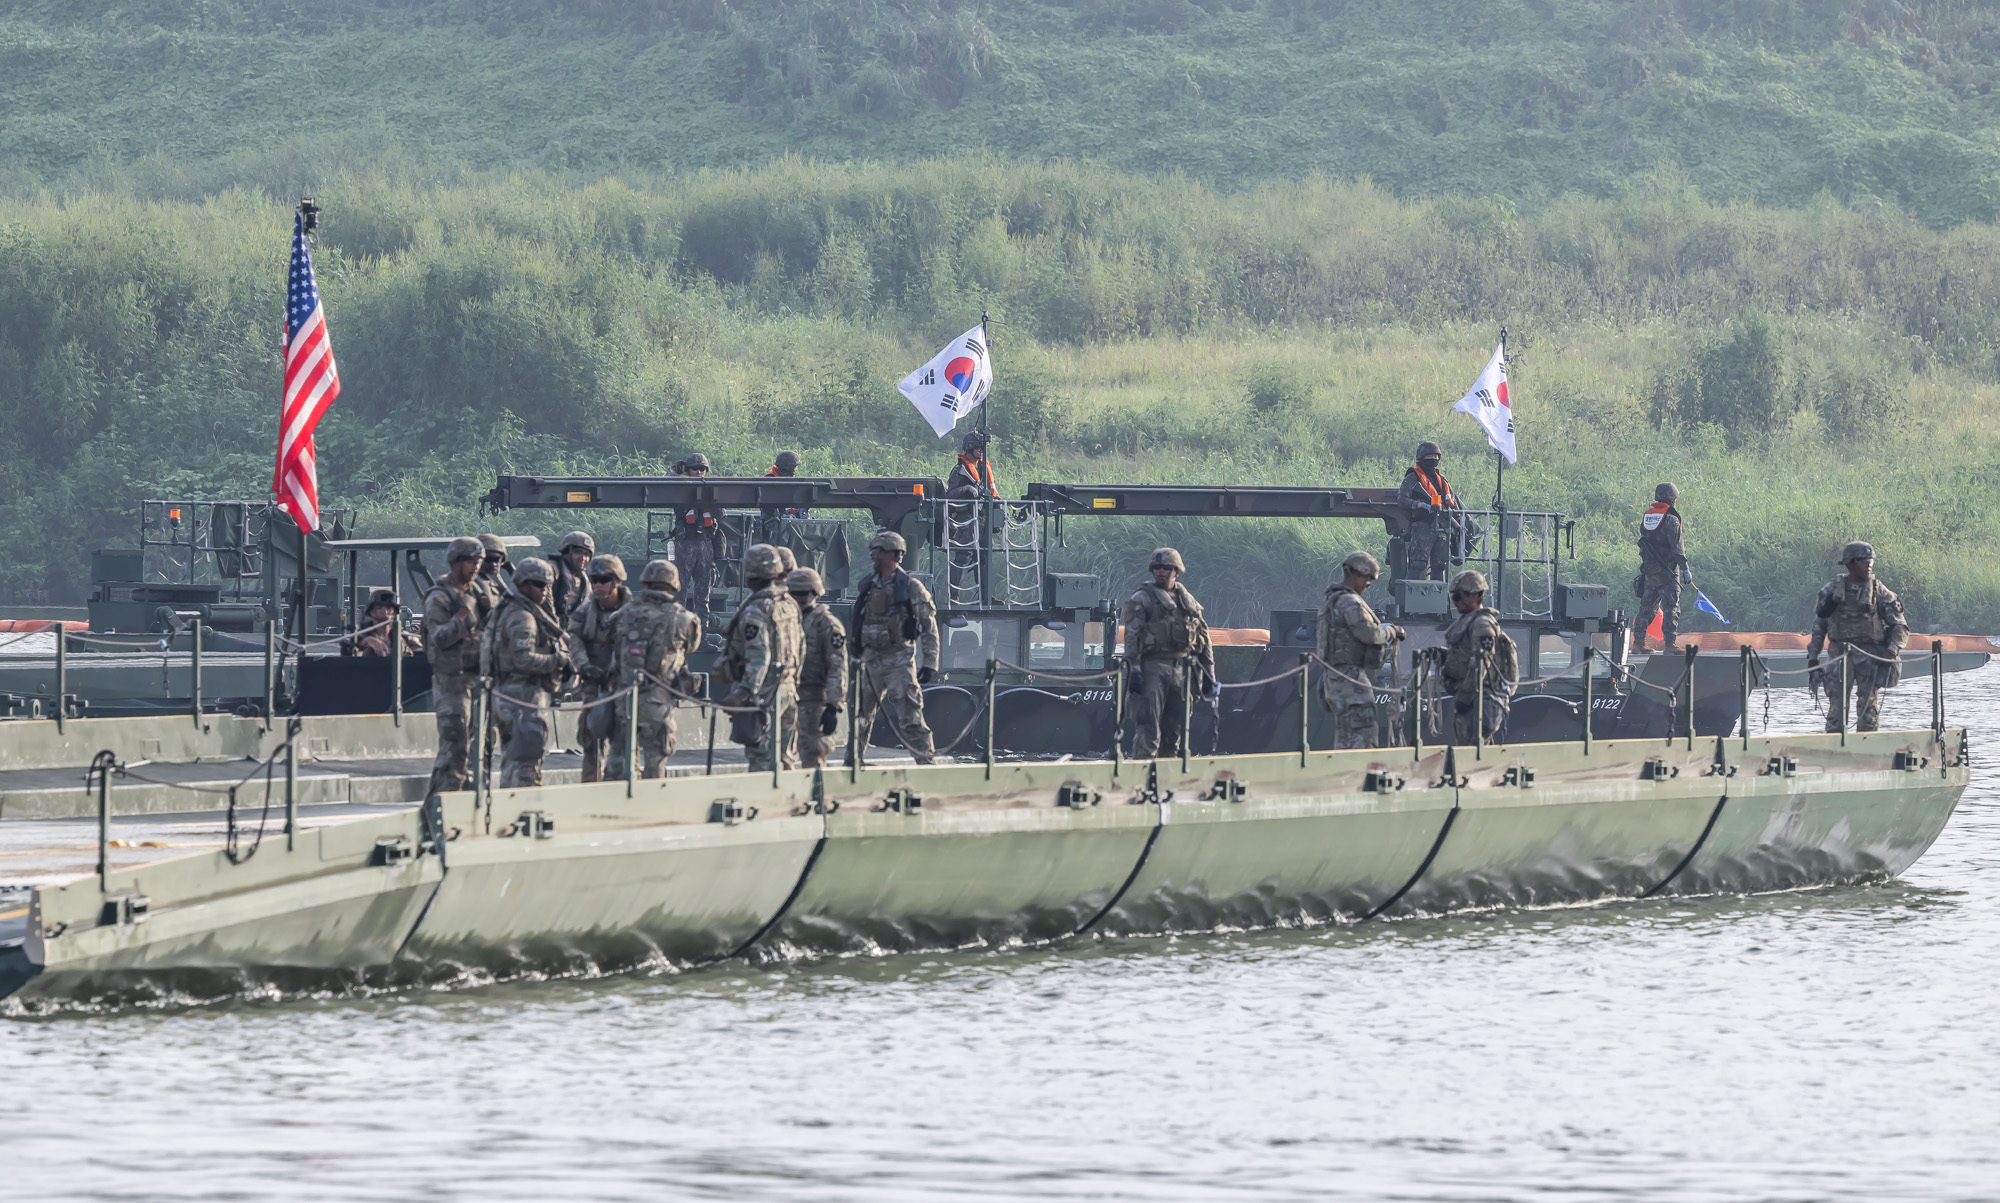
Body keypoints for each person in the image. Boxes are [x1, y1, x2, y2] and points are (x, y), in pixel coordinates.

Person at [850, 530, 941, 764]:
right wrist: (856, 647)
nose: (874, 556)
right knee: (860, 714)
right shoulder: (868, 585)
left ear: (894, 554)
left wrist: (930, 663)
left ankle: (926, 763)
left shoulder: (911, 587)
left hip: (899, 662)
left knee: (910, 717)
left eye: (879, 551)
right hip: (871, 661)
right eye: (873, 551)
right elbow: (860, 618)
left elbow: (929, 627)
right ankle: (853, 762)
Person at [607, 559, 703, 779]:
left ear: (646, 583)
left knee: (619, 759)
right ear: (674, 586)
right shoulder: (684, 619)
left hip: (622, 700)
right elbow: (692, 646)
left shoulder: (622, 614)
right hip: (658, 703)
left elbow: (608, 640)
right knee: (655, 762)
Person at [482, 557, 571, 788]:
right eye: (538, 585)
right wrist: (557, 660)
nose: (544, 591)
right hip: (522, 697)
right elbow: (524, 659)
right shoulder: (523, 617)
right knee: (527, 766)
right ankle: (522, 812)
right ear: (523, 583)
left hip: (509, 694)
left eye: (546, 585)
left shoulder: (509, 608)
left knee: (513, 761)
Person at [1121, 547, 1217, 760]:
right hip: (1152, 668)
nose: (1160, 571)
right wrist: (1134, 669)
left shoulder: (1187, 601)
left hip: (1183, 670)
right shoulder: (1142, 599)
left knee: (1174, 733)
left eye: (1165, 567)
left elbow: (1204, 637)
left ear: (1176, 571)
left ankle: (1168, 782)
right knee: (1149, 730)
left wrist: (1209, 673)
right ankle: (1141, 782)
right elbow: (1132, 636)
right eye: (1156, 568)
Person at [713, 543, 802, 772]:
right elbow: (800, 646)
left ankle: (765, 806)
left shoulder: (756, 610)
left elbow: (759, 655)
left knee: (762, 758)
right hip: (788, 689)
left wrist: (743, 692)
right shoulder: (789, 604)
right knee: (785, 757)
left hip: (764, 695)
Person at [1807, 542, 1908, 734]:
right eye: (1863, 561)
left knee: (1868, 706)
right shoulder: (1832, 591)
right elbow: (1820, 626)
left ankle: (1866, 746)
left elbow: (1900, 625)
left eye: (1870, 561)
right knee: (1836, 705)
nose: (1868, 564)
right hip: (1839, 655)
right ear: (1850, 563)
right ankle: (1835, 746)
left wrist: (1891, 651)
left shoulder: (1879, 591)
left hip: (1870, 656)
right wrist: (1813, 658)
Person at [1317, 551, 1404, 750]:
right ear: (1357, 575)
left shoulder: (1332, 601)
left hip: (1335, 677)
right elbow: (1368, 634)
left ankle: (1347, 776)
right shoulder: (1349, 602)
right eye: (1369, 578)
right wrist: (1392, 631)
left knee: (1347, 734)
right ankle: (1359, 777)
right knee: (1363, 733)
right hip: (1349, 678)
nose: (1369, 584)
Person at [421, 537, 487, 795]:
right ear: (455, 562)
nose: (475, 566)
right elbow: (439, 638)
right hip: (451, 683)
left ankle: (459, 810)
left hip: (476, 680)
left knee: (472, 753)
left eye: (478, 561)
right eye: (470, 561)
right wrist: (463, 615)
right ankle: (437, 809)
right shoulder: (440, 597)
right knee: (453, 751)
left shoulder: (476, 592)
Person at [565, 553, 628, 783]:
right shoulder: (584, 613)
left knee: (625, 744)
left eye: (604, 580)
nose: (598, 585)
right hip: (593, 685)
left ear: (617, 581)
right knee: (590, 744)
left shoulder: (633, 613)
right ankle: (590, 790)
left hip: (624, 688)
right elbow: (575, 640)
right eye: (594, 580)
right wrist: (584, 666)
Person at [1437, 570, 1516, 745]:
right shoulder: (1468, 621)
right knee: (1477, 749)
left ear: (1474, 595)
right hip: (1473, 698)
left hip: (1482, 700)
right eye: (1453, 597)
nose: (1455, 601)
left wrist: (1464, 697)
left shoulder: (1482, 624)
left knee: (1472, 750)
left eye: (1459, 596)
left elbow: (1481, 662)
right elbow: (1467, 655)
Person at [788, 567, 848, 769]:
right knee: (780, 758)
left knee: (813, 757)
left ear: (815, 593)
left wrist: (832, 706)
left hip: (815, 701)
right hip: (787, 699)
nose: (798, 598)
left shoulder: (827, 624)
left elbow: (837, 666)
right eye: (793, 593)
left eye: (803, 593)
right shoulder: (787, 622)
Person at [1634, 483, 1690, 653]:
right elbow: (1677, 548)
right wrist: (1685, 568)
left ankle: (1638, 643)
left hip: (1650, 571)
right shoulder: (1671, 520)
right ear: (1672, 499)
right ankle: (1670, 644)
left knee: (1647, 607)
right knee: (1671, 607)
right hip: (1668, 572)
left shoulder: (1648, 517)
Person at [1398, 441, 1464, 581]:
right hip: (1422, 525)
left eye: (1436, 456)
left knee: (1440, 565)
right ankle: (1413, 598)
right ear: (1421, 458)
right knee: (1418, 564)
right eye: (1430, 456)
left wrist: (1457, 521)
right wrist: (1421, 505)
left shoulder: (1442, 480)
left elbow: (1452, 502)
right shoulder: (1413, 478)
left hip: (1442, 527)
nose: (1434, 459)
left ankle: (1437, 598)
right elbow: (1402, 500)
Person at [672, 452, 725, 626]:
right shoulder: (678, 488)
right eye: (694, 468)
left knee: (703, 595)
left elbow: (721, 514)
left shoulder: (712, 488)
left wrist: (712, 500)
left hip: (706, 545)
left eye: (702, 469)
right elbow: (661, 487)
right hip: (685, 543)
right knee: (680, 590)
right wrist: (674, 471)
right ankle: (678, 632)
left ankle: (702, 636)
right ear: (688, 470)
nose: (699, 472)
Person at [945, 429, 997, 604]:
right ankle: (954, 595)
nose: (981, 450)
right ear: (970, 447)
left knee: (984, 556)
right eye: (978, 447)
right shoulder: (960, 470)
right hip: (966, 519)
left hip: (982, 517)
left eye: (983, 447)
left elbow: (990, 490)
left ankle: (985, 596)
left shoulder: (982, 468)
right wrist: (965, 489)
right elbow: (949, 495)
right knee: (963, 555)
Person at [346, 589, 420, 658]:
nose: (385, 612)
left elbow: (422, 652)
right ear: (371, 612)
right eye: (380, 607)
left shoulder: (404, 637)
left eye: (389, 608)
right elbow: (346, 646)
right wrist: (367, 641)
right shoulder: (360, 635)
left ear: (395, 612)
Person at [552, 531, 595, 623]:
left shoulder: (584, 580)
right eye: (578, 552)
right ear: (566, 552)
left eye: (587, 554)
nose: (583, 558)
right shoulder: (551, 572)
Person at [762, 449, 811, 527]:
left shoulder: (787, 480)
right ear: (791, 469)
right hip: (774, 521)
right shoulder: (770, 479)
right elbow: (770, 509)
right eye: (795, 468)